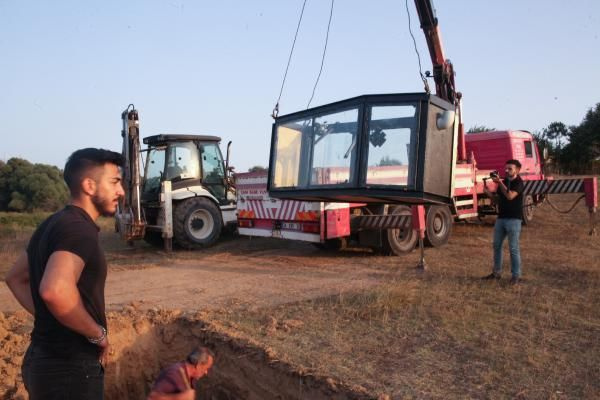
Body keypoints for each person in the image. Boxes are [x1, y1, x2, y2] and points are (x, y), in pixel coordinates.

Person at [5, 148, 125, 400]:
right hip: (70, 368)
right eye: (114, 182)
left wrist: (55, 317)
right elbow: (54, 291)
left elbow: (15, 278)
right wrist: (97, 335)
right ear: (89, 185)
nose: (121, 191)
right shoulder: (79, 230)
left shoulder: (53, 223)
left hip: (41, 358)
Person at [482, 159, 525, 285]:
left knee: (513, 248)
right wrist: (489, 194)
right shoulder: (504, 182)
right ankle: (496, 273)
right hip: (501, 218)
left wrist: (499, 182)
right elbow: (498, 200)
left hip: (514, 219)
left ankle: (516, 276)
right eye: (505, 168)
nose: (506, 171)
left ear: (517, 170)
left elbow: (510, 196)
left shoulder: (519, 182)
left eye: (510, 169)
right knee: (496, 245)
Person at [147, 346, 215, 400]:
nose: (206, 372)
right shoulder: (174, 374)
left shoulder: (192, 377)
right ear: (198, 365)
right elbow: (152, 398)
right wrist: (179, 398)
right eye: (206, 368)